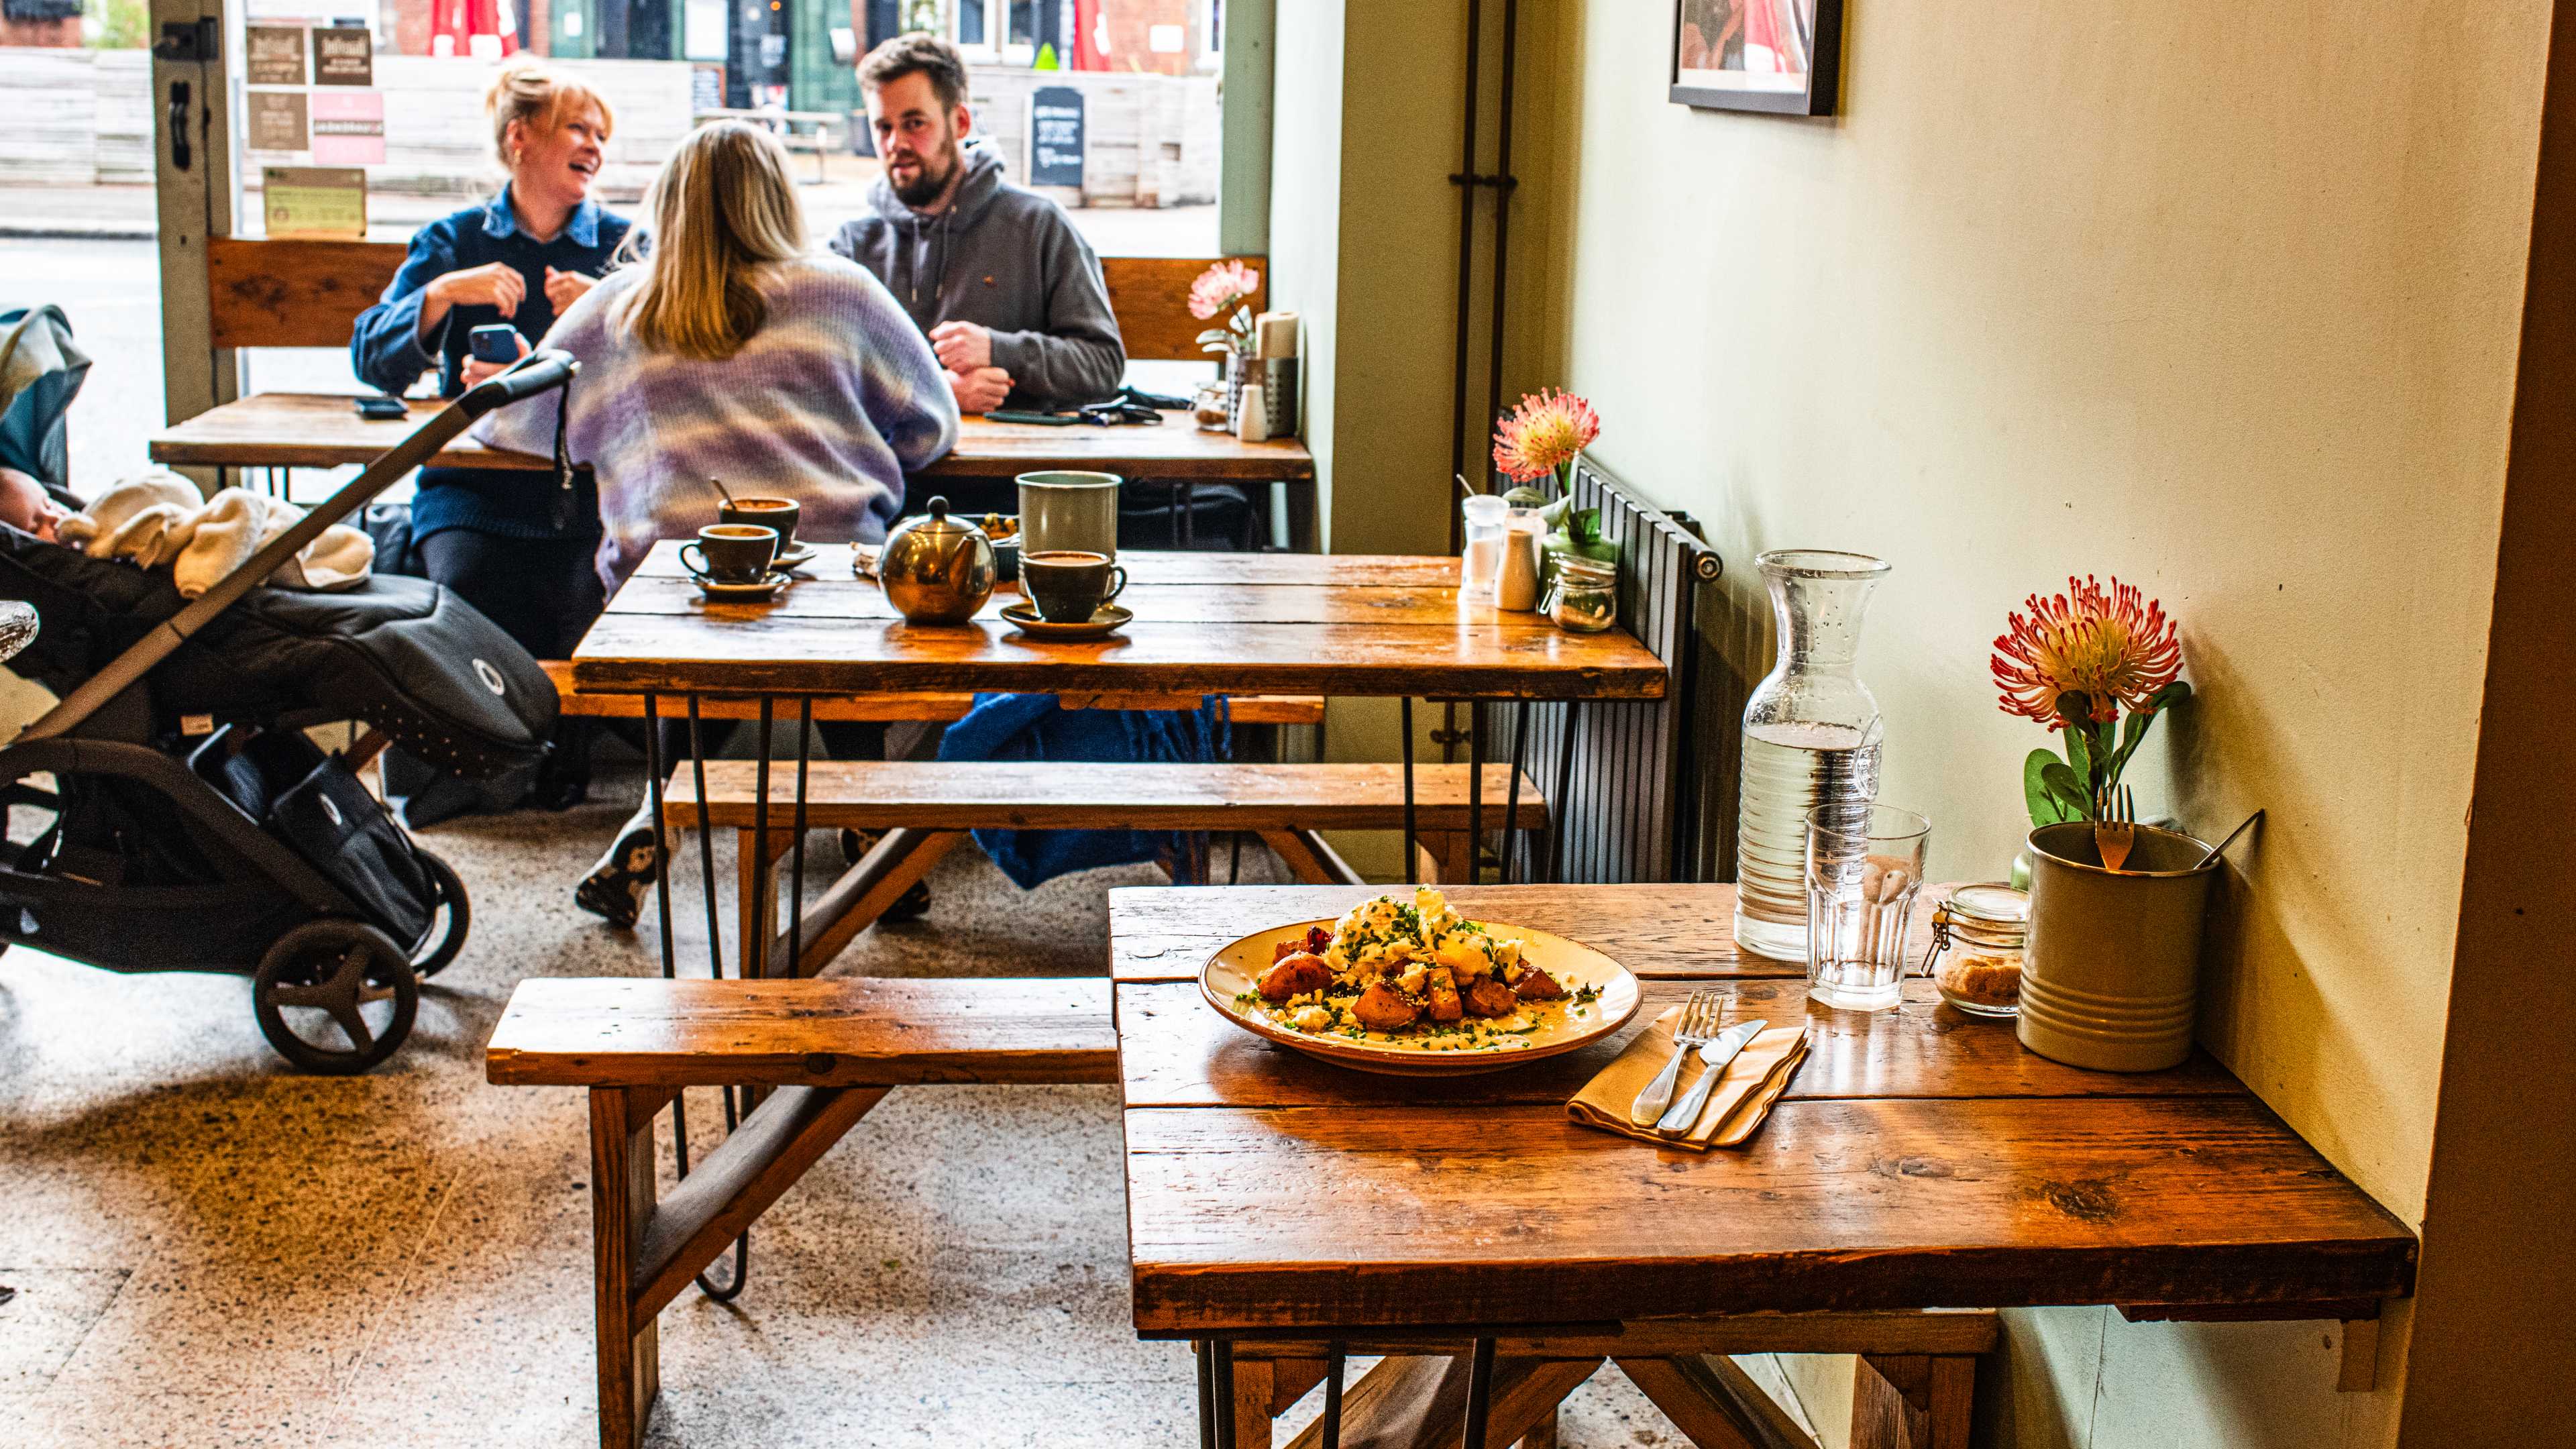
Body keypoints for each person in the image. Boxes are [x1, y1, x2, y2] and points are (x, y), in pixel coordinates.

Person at [472, 119, 959, 926]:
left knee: (713, 646)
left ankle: (657, 817)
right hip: (828, 570)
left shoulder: (618, 306)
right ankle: (873, 837)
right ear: (778, 199)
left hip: (672, 579)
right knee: (824, 651)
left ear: (668, 204)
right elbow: (933, 425)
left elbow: (514, 426)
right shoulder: (840, 291)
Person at [350, 57, 631, 663]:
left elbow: (669, 370)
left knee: (591, 609)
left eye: (601, 136)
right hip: (472, 489)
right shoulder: (454, 241)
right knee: (465, 590)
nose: (595, 148)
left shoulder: (622, 246)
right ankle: (486, 753)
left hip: (588, 493)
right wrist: (441, 295)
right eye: (579, 129)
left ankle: (562, 762)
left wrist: (611, 307)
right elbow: (371, 357)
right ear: (520, 135)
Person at [829, 33, 1126, 414]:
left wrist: (998, 350)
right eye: (883, 127)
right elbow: (819, 374)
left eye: (915, 123)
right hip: (891, 471)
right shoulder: (853, 244)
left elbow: (1103, 366)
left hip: (1017, 467)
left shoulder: (1038, 226)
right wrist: (936, 396)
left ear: (961, 122)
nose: (894, 144)